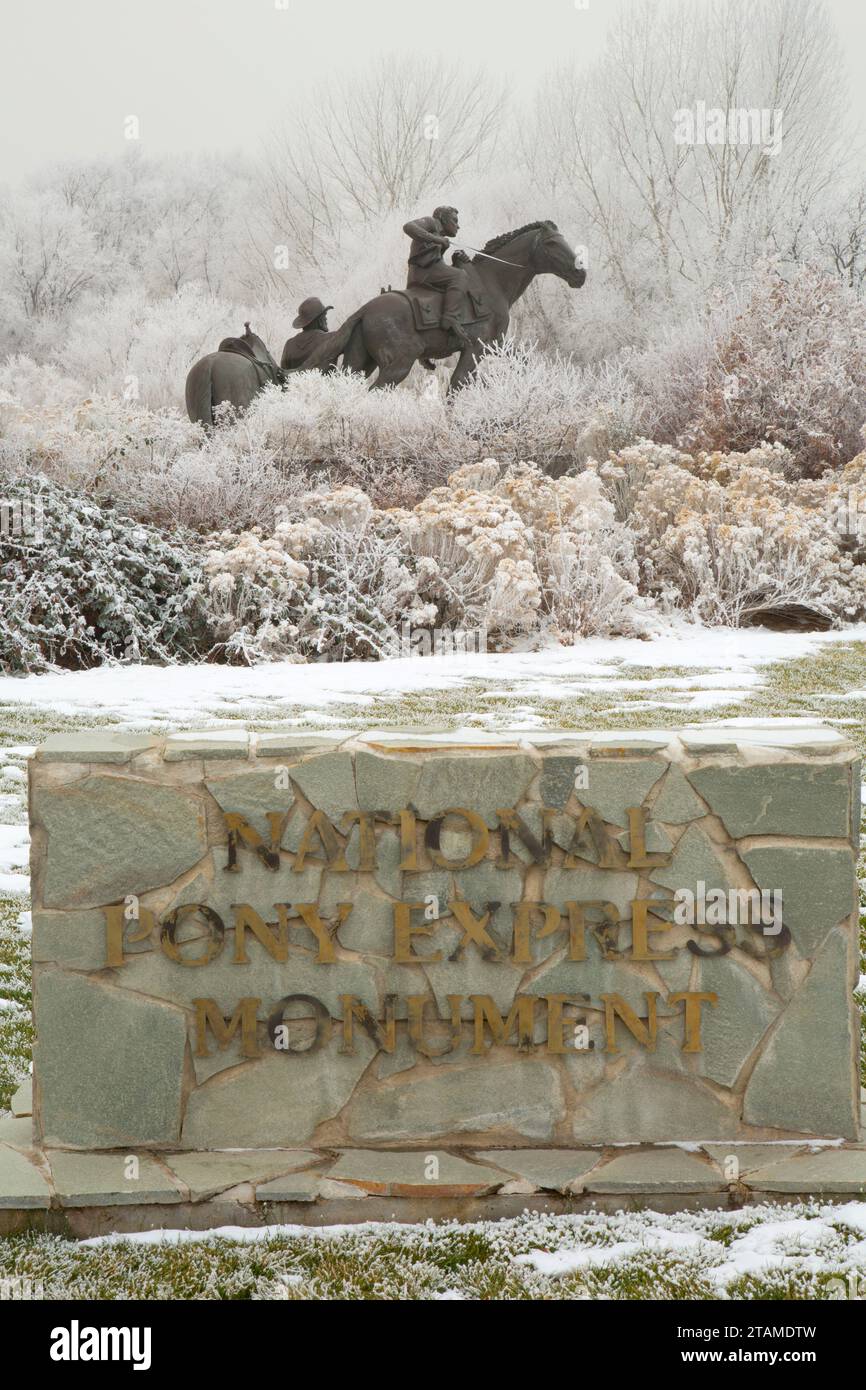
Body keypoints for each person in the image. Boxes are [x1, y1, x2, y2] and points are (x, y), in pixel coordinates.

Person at [402, 206, 472, 346]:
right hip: (423, 273)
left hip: (425, 274)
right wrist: (437, 239)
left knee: (455, 280)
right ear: (443, 218)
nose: (458, 226)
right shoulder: (430, 222)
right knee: (460, 276)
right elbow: (408, 227)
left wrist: (456, 259)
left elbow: (439, 265)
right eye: (455, 220)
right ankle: (450, 318)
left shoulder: (441, 238)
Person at [280, 297, 334, 371]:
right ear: (318, 319)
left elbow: (283, 373)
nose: (326, 319)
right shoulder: (329, 339)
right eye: (324, 315)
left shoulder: (289, 344)